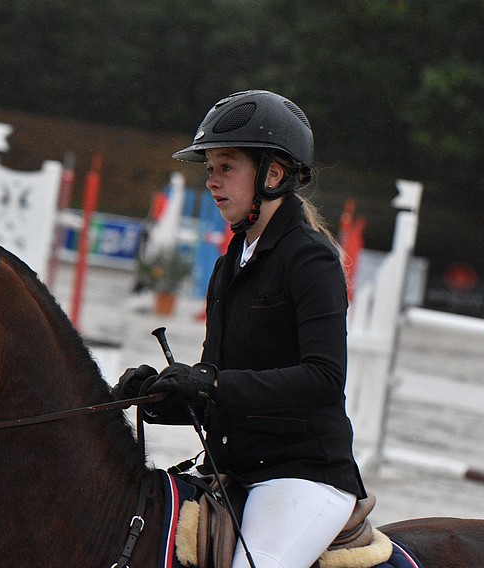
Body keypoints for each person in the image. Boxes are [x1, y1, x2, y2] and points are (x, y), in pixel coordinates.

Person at [114, 90, 367, 568]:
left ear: (272, 174)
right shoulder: (229, 264)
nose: (211, 181)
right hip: (232, 470)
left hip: (300, 477)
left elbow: (323, 378)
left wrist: (211, 382)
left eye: (225, 167)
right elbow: (223, 392)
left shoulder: (310, 259)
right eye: (208, 169)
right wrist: (163, 397)